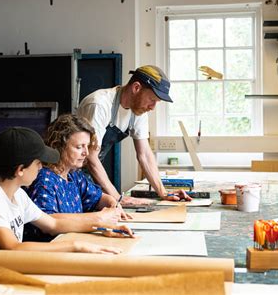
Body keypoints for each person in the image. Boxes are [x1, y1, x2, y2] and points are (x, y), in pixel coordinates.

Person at [0, 127, 133, 295]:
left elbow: (53, 224)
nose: (41, 168)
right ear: (20, 170)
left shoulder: (17, 195)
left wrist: (100, 226)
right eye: (38, 163)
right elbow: (12, 248)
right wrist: (76, 246)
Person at [77, 65, 192, 205]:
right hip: (71, 174)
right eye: (152, 100)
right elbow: (90, 156)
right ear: (136, 88)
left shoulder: (138, 110)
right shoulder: (100, 104)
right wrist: (118, 198)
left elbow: (144, 154)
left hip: (91, 172)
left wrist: (163, 193)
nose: (153, 107)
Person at [25, 114, 129, 239]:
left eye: (87, 146)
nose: (86, 153)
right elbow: (48, 221)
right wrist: (99, 218)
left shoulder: (74, 176)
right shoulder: (44, 179)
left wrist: (113, 205)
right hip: (52, 251)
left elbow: (100, 198)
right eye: (79, 147)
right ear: (59, 146)